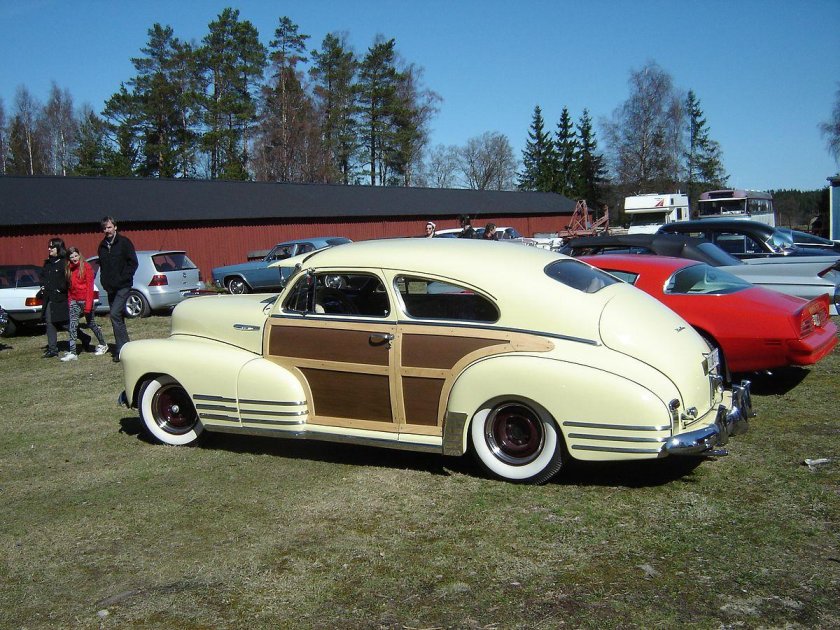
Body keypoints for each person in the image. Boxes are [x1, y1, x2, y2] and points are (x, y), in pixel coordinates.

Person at [97, 216, 138, 362]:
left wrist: (124, 277)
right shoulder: (102, 246)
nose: (107, 230)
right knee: (118, 318)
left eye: (109, 227)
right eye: (104, 228)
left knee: (114, 314)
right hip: (110, 288)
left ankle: (121, 350)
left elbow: (133, 263)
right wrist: (104, 281)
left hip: (123, 286)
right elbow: (102, 266)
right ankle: (127, 349)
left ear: (115, 227)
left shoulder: (124, 243)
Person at [61, 247, 109, 361]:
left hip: (86, 300)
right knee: (72, 325)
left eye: (76, 256)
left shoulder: (86, 267)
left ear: (79, 255)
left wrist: (88, 305)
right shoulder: (69, 269)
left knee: (91, 323)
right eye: (71, 257)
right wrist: (70, 301)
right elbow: (70, 288)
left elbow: (89, 288)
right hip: (74, 301)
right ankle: (73, 352)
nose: (74, 259)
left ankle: (103, 344)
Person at [41, 238, 69, 358]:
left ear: (58, 248)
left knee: (64, 324)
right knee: (49, 322)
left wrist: (61, 289)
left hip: (60, 298)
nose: (49, 249)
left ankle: (84, 337)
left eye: (52, 247)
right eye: (49, 247)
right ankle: (53, 349)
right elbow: (43, 277)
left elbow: (68, 279)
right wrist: (42, 286)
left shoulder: (64, 262)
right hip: (49, 298)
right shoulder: (47, 263)